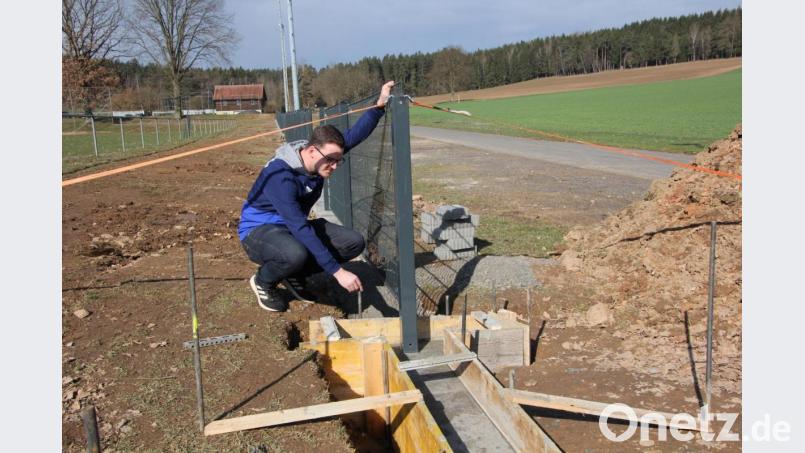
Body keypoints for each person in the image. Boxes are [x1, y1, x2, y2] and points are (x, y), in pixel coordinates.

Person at [239, 81, 395, 312]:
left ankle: (293, 274)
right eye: (331, 160)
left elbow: (355, 135)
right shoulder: (280, 176)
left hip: (290, 227)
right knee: (294, 253)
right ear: (312, 151)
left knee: (354, 243)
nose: (334, 166)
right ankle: (264, 281)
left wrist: (379, 106)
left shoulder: (321, 156)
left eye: (338, 160)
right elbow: (301, 228)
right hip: (259, 231)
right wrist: (338, 272)